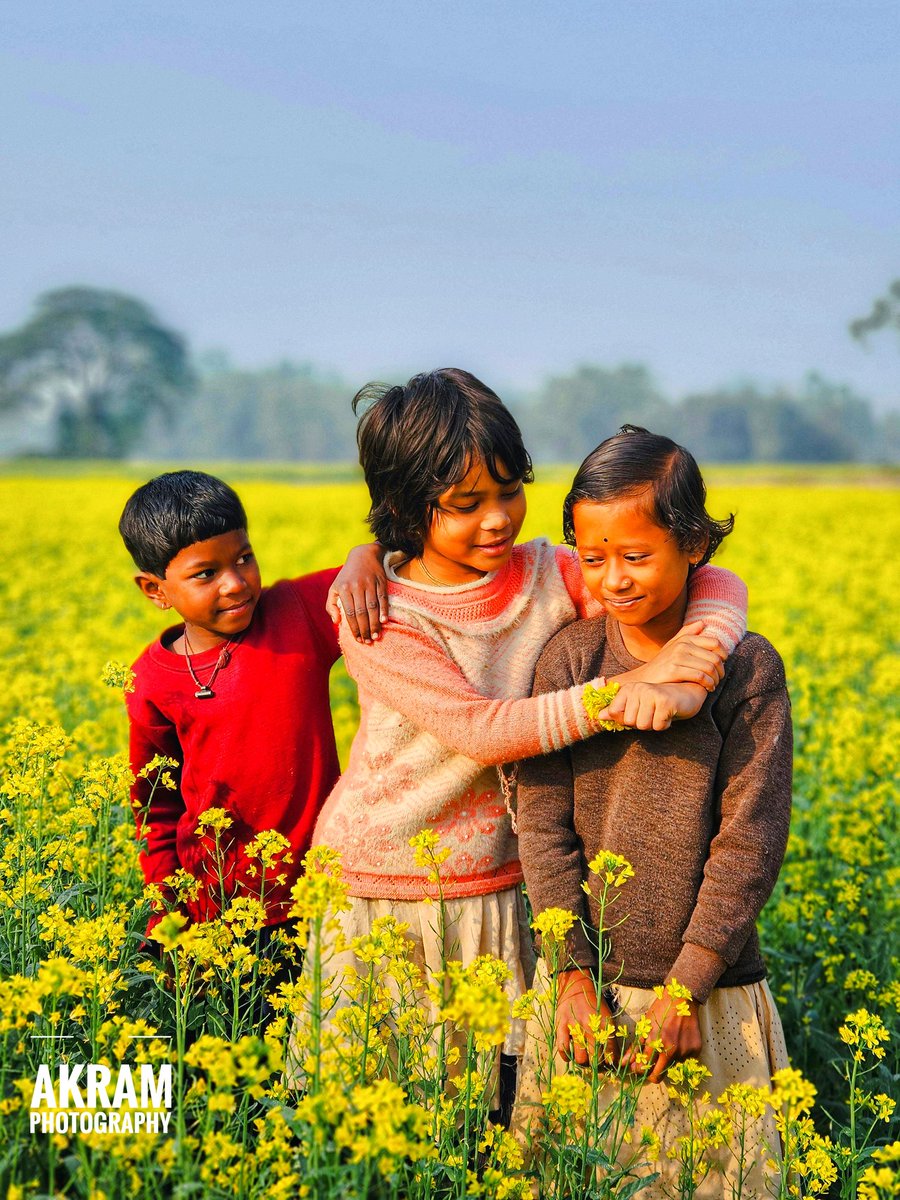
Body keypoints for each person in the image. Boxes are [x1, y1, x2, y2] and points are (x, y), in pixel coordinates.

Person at [298, 370, 749, 1115]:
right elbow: (482, 732)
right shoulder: (380, 615)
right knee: (377, 1111)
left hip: (506, 888)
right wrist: (621, 695)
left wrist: (689, 671)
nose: (498, 520)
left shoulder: (548, 573)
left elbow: (714, 578)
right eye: (466, 505)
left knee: (490, 1114)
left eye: (509, 491)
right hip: (387, 892)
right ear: (408, 510)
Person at [512, 426, 792, 1195]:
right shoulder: (570, 659)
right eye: (592, 558)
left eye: (636, 556)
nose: (614, 580)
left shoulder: (745, 668)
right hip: (586, 998)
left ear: (695, 543)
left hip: (708, 995)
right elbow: (541, 825)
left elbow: (752, 841)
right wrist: (570, 978)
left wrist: (686, 987)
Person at [119, 469, 386, 933]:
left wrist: (366, 553)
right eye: (206, 574)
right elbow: (155, 810)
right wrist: (168, 912)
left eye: (243, 558)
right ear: (155, 590)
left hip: (322, 887)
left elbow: (386, 568)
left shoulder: (295, 612)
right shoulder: (149, 681)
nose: (236, 583)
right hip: (216, 906)